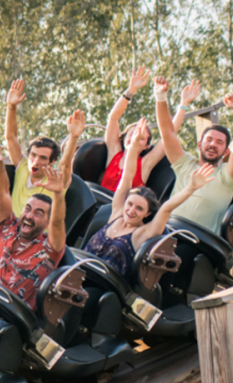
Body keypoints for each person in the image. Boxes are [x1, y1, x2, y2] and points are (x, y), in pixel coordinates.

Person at [84, 119, 217, 277]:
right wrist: (133, 146)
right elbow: (127, 175)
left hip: (103, 283)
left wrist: (191, 188)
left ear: (147, 214)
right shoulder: (117, 212)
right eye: (130, 204)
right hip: (79, 270)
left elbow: (167, 207)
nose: (131, 210)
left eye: (139, 208)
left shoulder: (143, 233)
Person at [0, 109, 83, 310]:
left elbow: (57, 221)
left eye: (37, 213)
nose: (36, 161)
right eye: (28, 209)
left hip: (9, 313)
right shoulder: (8, 226)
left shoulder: (48, 247)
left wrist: (74, 136)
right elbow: (1, 191)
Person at [154, 78, 233, 234]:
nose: (212, 144)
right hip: (166, 231)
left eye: (219, 142)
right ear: (199, 145)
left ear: (226, 152)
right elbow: (167, 133)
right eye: (209, 140)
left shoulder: (227, 176)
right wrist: (161, 97)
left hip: (198, 241)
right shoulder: (185, 164)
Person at [100, 68, 198, 191]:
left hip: (124, 208)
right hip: (99, 204)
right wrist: (131, 89)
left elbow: (168, 135)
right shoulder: (114, 153)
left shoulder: (145, 164)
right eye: (132, 134)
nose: (134, 138)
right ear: (124, 137)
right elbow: (113, 118)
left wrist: (184, 104)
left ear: (146, 146)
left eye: (140, 138)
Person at [3, 78, 65, 215]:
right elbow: (11, 137)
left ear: (52, 162)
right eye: (33, 155)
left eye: (43, 158)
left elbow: (66, 164)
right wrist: (11, 107)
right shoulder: (23, 168)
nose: (36, 162)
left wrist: (73, 137)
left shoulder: (54, 181)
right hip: (12, 232)